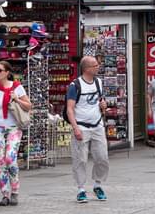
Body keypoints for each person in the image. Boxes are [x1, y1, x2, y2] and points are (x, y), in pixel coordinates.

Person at [0, 61, 32, 207]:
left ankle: (15, 190)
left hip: (14, 127)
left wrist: (16, 98)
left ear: (7, 73)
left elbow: (29, 106)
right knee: (0, 161)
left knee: (10, 158)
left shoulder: (17, 87)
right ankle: (5, 194)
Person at [66, 56, 109, 203]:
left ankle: (98, 185)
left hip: (97, 125)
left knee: (102, 158)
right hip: (82, 126)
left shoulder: (98, 82)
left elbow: (100, 101)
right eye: (95, 65)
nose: (98, 67)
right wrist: (75, 128)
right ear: (86, 69)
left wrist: (103, 105)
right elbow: (70, 109)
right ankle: (81, 189)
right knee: (80, 160)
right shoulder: (75, 85)